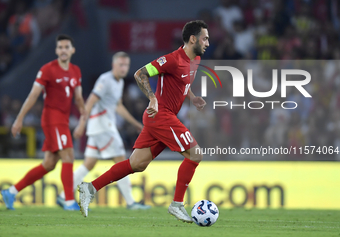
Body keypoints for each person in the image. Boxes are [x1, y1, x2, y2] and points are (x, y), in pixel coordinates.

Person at [78, 20, 209, 222]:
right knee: (195, 154)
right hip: (160, 115)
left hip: (163, 118)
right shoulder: (172, 60)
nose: (208, 42)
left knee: (137, 164)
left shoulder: (196, 60)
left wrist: (193, 98)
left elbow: (184, 82)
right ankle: (176, 204)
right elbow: (140, 73)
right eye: (205, 38)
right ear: (193, 39)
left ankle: (90, 187)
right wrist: (153, 98)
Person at [57, 52, 150, 210]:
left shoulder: (119, 82)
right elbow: (90, 102)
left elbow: (118, 106)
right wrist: (81, 124)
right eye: (120, 65)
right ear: (113, 65)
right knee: (122, 162)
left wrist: (134, 123)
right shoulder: (105, 80)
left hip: (99, 128)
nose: (123, 68)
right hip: (103, 126)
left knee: (89, 164)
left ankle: (62, 196)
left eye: (126, 65)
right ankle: (130, 202)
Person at [1, 34, 85, 211]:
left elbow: (78, 97)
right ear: (56, 50)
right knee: (68, 155)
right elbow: (33, 94)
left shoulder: (76, 71)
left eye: (66, 47)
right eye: (60, 47)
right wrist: (20, 118)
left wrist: (84, 117)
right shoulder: (48, 69)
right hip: (52, 119)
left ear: (72, 50)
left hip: (63, 120)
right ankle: (68, 200)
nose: (63, 50)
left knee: (49, 164)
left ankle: (11, 191)